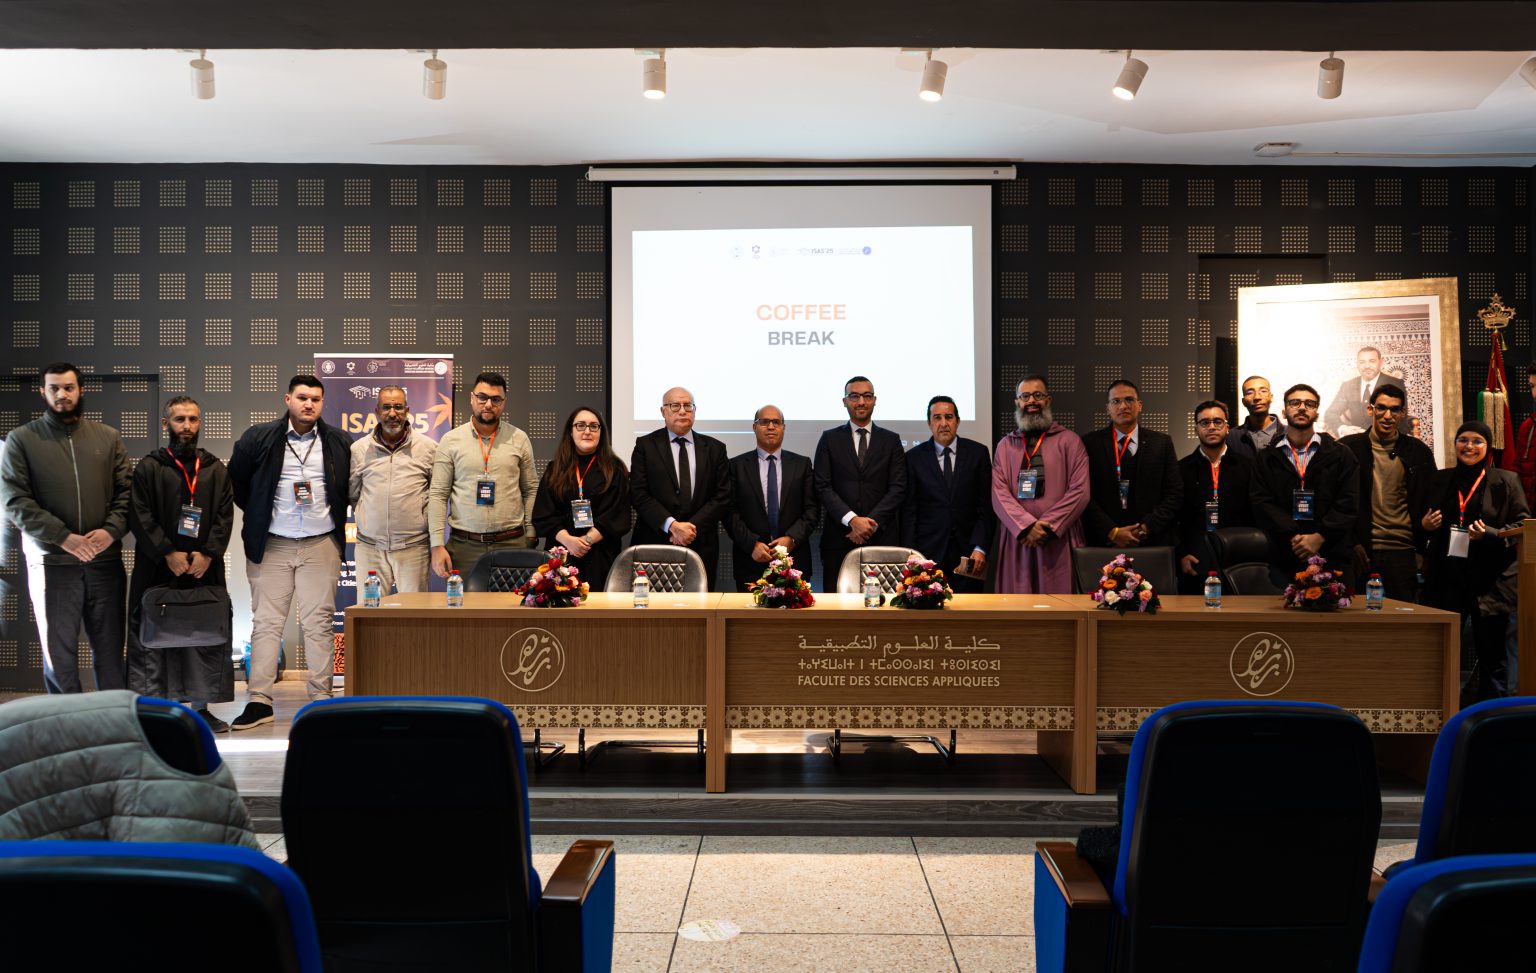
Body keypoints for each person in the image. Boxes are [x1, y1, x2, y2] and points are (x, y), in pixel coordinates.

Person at [227, 375, 351, 730]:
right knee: (266, 623)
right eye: (302, 397)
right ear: (288, 399)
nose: (308, 404)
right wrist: (260, 513)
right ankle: (260, 701)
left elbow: (347, 487)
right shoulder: (259, 437)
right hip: (272, 543)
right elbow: (238, 483)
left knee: (320, 623)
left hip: (320, 543)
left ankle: (321, 699)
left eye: (315, 399)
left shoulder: (339, 441)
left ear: (322, 403)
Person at [0, 362, 130, 694]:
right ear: (42, 392)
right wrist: (63, 538)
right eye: (54, 388)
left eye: (68, 387)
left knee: (111, 653)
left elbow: (128, 493)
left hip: (104, 562)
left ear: (81, 390)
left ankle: (112, 718)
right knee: (59, 657)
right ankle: (68, 720)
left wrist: (110, 531)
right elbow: (15, 500)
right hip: (52, 564)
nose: (62, 394)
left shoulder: (108, 437)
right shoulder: (21, 440)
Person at [126, 396, 235, 731]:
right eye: (179, 419)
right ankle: (159, 711)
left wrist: (208, 554)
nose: (187, 426)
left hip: (203, 569)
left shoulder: (215, 469)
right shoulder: (149, 468)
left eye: (193, 419)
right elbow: (139, 514)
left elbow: (224, 515)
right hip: (158, 568)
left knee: (202, 635)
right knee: (156, 636)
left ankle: (201, 710)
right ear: (166, 424)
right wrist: (166, 553)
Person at [1417, 420, 1529, 702]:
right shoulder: (1440, 479)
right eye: (1463, 440)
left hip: (1490, 584)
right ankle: (1445, 716)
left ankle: (1494, 718)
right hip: (1447, 580)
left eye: (1477, 441)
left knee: (1493, 659)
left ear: (1488, 447)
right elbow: (1418, 523)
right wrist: (1425, 526)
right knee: (1441, 656)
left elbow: (1522, 526)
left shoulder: (1506, 481)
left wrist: (1490, 533)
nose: (1469, 446)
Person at [428, 372, 539, 580]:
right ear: (472, 398)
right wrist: (436, 544)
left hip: (512, 543)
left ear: (503, 402)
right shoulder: (450, 441)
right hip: (464, 547)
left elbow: (531, 489)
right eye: (482, 397)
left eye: (496, 399)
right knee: (464, 602)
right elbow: (438, 494)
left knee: (512, 602)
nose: (488, 404)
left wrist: (530, 532)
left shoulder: (519, 439)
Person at [1252, 383, 1361, 589]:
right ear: (1284, 412)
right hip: (1284, 554)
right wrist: (1294, 536)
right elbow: (1262, 502)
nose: (1302, 407)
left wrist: (1320, 536)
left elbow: (1348, 502)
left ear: (1317, 413)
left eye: (1309, 404)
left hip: (1333, 554)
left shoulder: (1341, 454)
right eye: (1295, 403)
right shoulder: (1266, 458)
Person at [990, 376, 1090, 594]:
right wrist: (1026, 527)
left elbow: (1080, 491)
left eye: (1038, 395)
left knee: (1061, 605)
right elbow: (999, 494)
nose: (1031, 401)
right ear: (1017, 402)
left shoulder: (1070, 441)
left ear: (1048, 400)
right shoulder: (1005, 446)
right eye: (1025, 396)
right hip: (1019, 541)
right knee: (1018, 607)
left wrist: (1047, 526)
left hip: (1058, 539)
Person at [1338, 384, 1435, 603]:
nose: (1387, 416)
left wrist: (1422, 548)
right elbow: (1336, 502)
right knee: (1356, 617)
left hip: (1402, 550)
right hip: (1360, 551)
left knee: (1401, 618)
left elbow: (1430, 501)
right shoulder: (1347, 449)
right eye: (1381, 408)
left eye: (1395, 409)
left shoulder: (1418, 451)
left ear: (1402, 413)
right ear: (1370, 410)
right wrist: (1352, 542)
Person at [630, 387, 732, 590]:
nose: (683, 411)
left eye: (688, 406)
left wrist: (689, 528)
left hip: (701, 543)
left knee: (700, 605)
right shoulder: (646, 446)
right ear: (663, 411)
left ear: (695, 410)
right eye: (675, 406)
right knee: (652, 605)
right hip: (655, 542)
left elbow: (722, 496)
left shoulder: (715, 448)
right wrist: (673, 526)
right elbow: (638, 493)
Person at [813, 376, 907, 592]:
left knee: (884, 605)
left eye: (867, 396)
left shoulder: (891, 440)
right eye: (854, 396)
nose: (861, 402)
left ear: (875, 400)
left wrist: (870, 524)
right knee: (836, 606)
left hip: (882, 538)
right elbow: (822, 486)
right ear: (845, 401)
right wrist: (852, 520)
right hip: (839, 538)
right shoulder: (829, 439)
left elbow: (898, 487)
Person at [902, 395, 994, 593]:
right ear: (929, 423)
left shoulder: (978, 454)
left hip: (969, 555)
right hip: (927, 555)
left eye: (949, 417)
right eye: (937, 418)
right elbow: (909, 511)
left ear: (958, 421)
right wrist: (912, 554)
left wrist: (980, 547)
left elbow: (986, 506)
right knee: (929, 610)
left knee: (970, 609)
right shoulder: (913, 458)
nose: (943, 423)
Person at [532, 406, 630, 591]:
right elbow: (543, 515)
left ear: (601, 432)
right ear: (571, 432)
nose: (587, 431)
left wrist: (585, 541)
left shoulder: (615, 469)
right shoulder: (555, 469)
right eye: (581, 425)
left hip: (600, 555)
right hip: (561, 554)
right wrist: (569, 541)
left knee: (599, 606)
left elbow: (616, 515)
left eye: (594, 426)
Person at [349, 385, 436, 593]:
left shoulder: (429, 448)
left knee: (413, 611)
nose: (392, 414)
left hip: (413, 547)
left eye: (398, 407)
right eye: (386, 407)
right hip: (369, 548)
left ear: (407, 410)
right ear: (377, 411)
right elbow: (353, 494)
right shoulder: (359, 449)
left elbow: (437, 495)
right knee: (369, 611)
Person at [727, 405, 820, 592]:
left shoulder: (802, 464)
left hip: (794, 560)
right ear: (754, 427)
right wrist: (751, 544)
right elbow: (729, 512)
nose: (771, 427)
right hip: (751, 561)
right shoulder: (736, 466)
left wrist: (791, 539)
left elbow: (812, 509)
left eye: (776, 422)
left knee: (795, 612)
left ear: (783, 428)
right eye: (764, 422)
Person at [1080, 380, 1182, 549]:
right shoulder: (1089, 443)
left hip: (1152, 542)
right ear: (1108, 408)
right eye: (1116, 401)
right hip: (1104, 543)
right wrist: (1112, 532)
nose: (1123, 406)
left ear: (1139, 405)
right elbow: (1083, 494)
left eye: (1129, 400)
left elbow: (1174, 494)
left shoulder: (1161, 443)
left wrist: (1143, 530)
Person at [1175, 400, 1256, 594]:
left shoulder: (1249, 467)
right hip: (1195, 559)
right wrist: (1181, 554)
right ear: (1196, 429)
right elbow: (1174, 517)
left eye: (1218, 421)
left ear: (1227, 428)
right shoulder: (1181, 469)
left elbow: (1257, 513)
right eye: (1205, 422)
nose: (1211, 427)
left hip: (1239, 558)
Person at [1324, 346, 1390, 437]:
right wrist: (1343, 429)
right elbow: (1331, 413)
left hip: (1385, 439)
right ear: (1357, 364)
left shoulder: (1394, 383)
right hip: (1356, 440)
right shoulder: (1348, 386)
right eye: (1362, 362)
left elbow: (1400, 418)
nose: (1367, 366)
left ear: (1381, 362)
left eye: (1372, 361)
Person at [1499, 361, 1536, 508]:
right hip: (1530, 514)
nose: (1534, 393)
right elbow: (1518, 469)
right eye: (1532, 386)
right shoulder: (1528, 426)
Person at [1240, 375, 1286, 451]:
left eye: (1263, 391)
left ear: (1271, 397)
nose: (1257, 397)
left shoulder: (1288, 434)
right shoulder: (1232, 437)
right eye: (1250, 392)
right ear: (1243, 401)